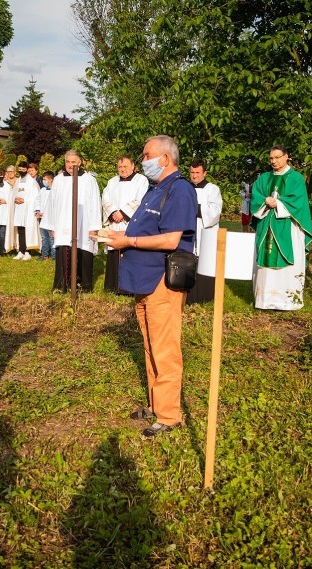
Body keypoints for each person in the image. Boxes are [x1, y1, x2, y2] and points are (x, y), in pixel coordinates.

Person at [106, 135, 197, 437]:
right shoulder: (155, 190)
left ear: (165, 159)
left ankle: (169, 415)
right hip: (143, 279)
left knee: (165, 348)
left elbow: (171, 239)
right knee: (150, 345)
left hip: (162, 280)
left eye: (147, 155)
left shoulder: (180, 190)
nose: (143, 161)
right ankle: (157, 403)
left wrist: (128, 241)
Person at [250, 145, 312, 311]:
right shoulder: (263, 178)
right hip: (266, 226)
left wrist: (277, 203)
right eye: (271, 158)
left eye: (277, 157)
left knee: (287, 264)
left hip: (288, 226)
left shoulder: (296, 178)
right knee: (265, 263)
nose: (274, 161)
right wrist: (265, 202)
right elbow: (256, 197)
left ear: (286, 157)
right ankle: (264, 301)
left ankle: (288, 301)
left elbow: (298, 202)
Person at [41, 150, 102, 291]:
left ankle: (83, 285)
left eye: (73, 162)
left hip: (84, 222)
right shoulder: (59, 179)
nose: (70, 165)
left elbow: (95, 203)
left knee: (83, 250)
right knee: (64, 250)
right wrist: (52, 226)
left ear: (79, 163)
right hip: (62, 222)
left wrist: (94, 226)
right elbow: (52, 203)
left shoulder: (89, 180)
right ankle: (62, 285)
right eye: (67, 162)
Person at [101, 155, 149, 292]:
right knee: (114, 253)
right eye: (120, 167)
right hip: (114, 223)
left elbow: (141, 199)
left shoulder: (141, 180)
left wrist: (123, 213)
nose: (122, 170)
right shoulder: (112, 181)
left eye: (125, 167)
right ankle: (112, 286)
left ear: (133, 166)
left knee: (130, 253)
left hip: (130, 223)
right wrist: (113, 212)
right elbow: (105, 198)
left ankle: (128, 289)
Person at [187, 159, 223, 303]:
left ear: (204, 173)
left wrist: (195, 207)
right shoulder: (185, 188)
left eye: (197, 172)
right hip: (188, 229)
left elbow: (215, 211)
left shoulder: (213, 189)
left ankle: (205, 297)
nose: (194, 176)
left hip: (204, 230)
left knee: (205, 261)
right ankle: (188, 296)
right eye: (192, 172)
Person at [11, 161, 40, 260]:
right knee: (21, 230)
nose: (21, 171)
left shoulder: (32, 182)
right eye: (19, 169)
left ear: (27, 169)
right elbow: (14, 193)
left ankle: (28, 251)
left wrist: (24, 200)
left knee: (28, 229)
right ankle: (21, 250)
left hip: (28, 210)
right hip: (19, 208)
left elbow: (35, 196)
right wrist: (15, 199)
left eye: (23, 169)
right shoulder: (18, 181)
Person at [35, 171, 55, 260]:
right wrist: (38, 210)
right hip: (42, 218)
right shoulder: (42, 190)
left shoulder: (55, 190)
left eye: (45, 179)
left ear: (51, 180)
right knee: (44, 237)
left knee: (52, 238)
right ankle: (44, 255)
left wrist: (46, 213)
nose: (43, 181)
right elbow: (38, 201)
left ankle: (54, 256)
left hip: (51, 218)